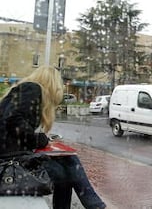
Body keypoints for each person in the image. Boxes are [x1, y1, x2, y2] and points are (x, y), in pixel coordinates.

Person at [0, 65, 106, 209]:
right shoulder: (32, 88)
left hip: (11, 156)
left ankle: (95, 205)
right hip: (9, 162)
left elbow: (13, 123)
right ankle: (95, 205)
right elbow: (13, 119)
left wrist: (40, 140)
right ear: (53, 83)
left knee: (66, 164)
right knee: (67, 168)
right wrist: (40, 140)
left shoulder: (24, 91)